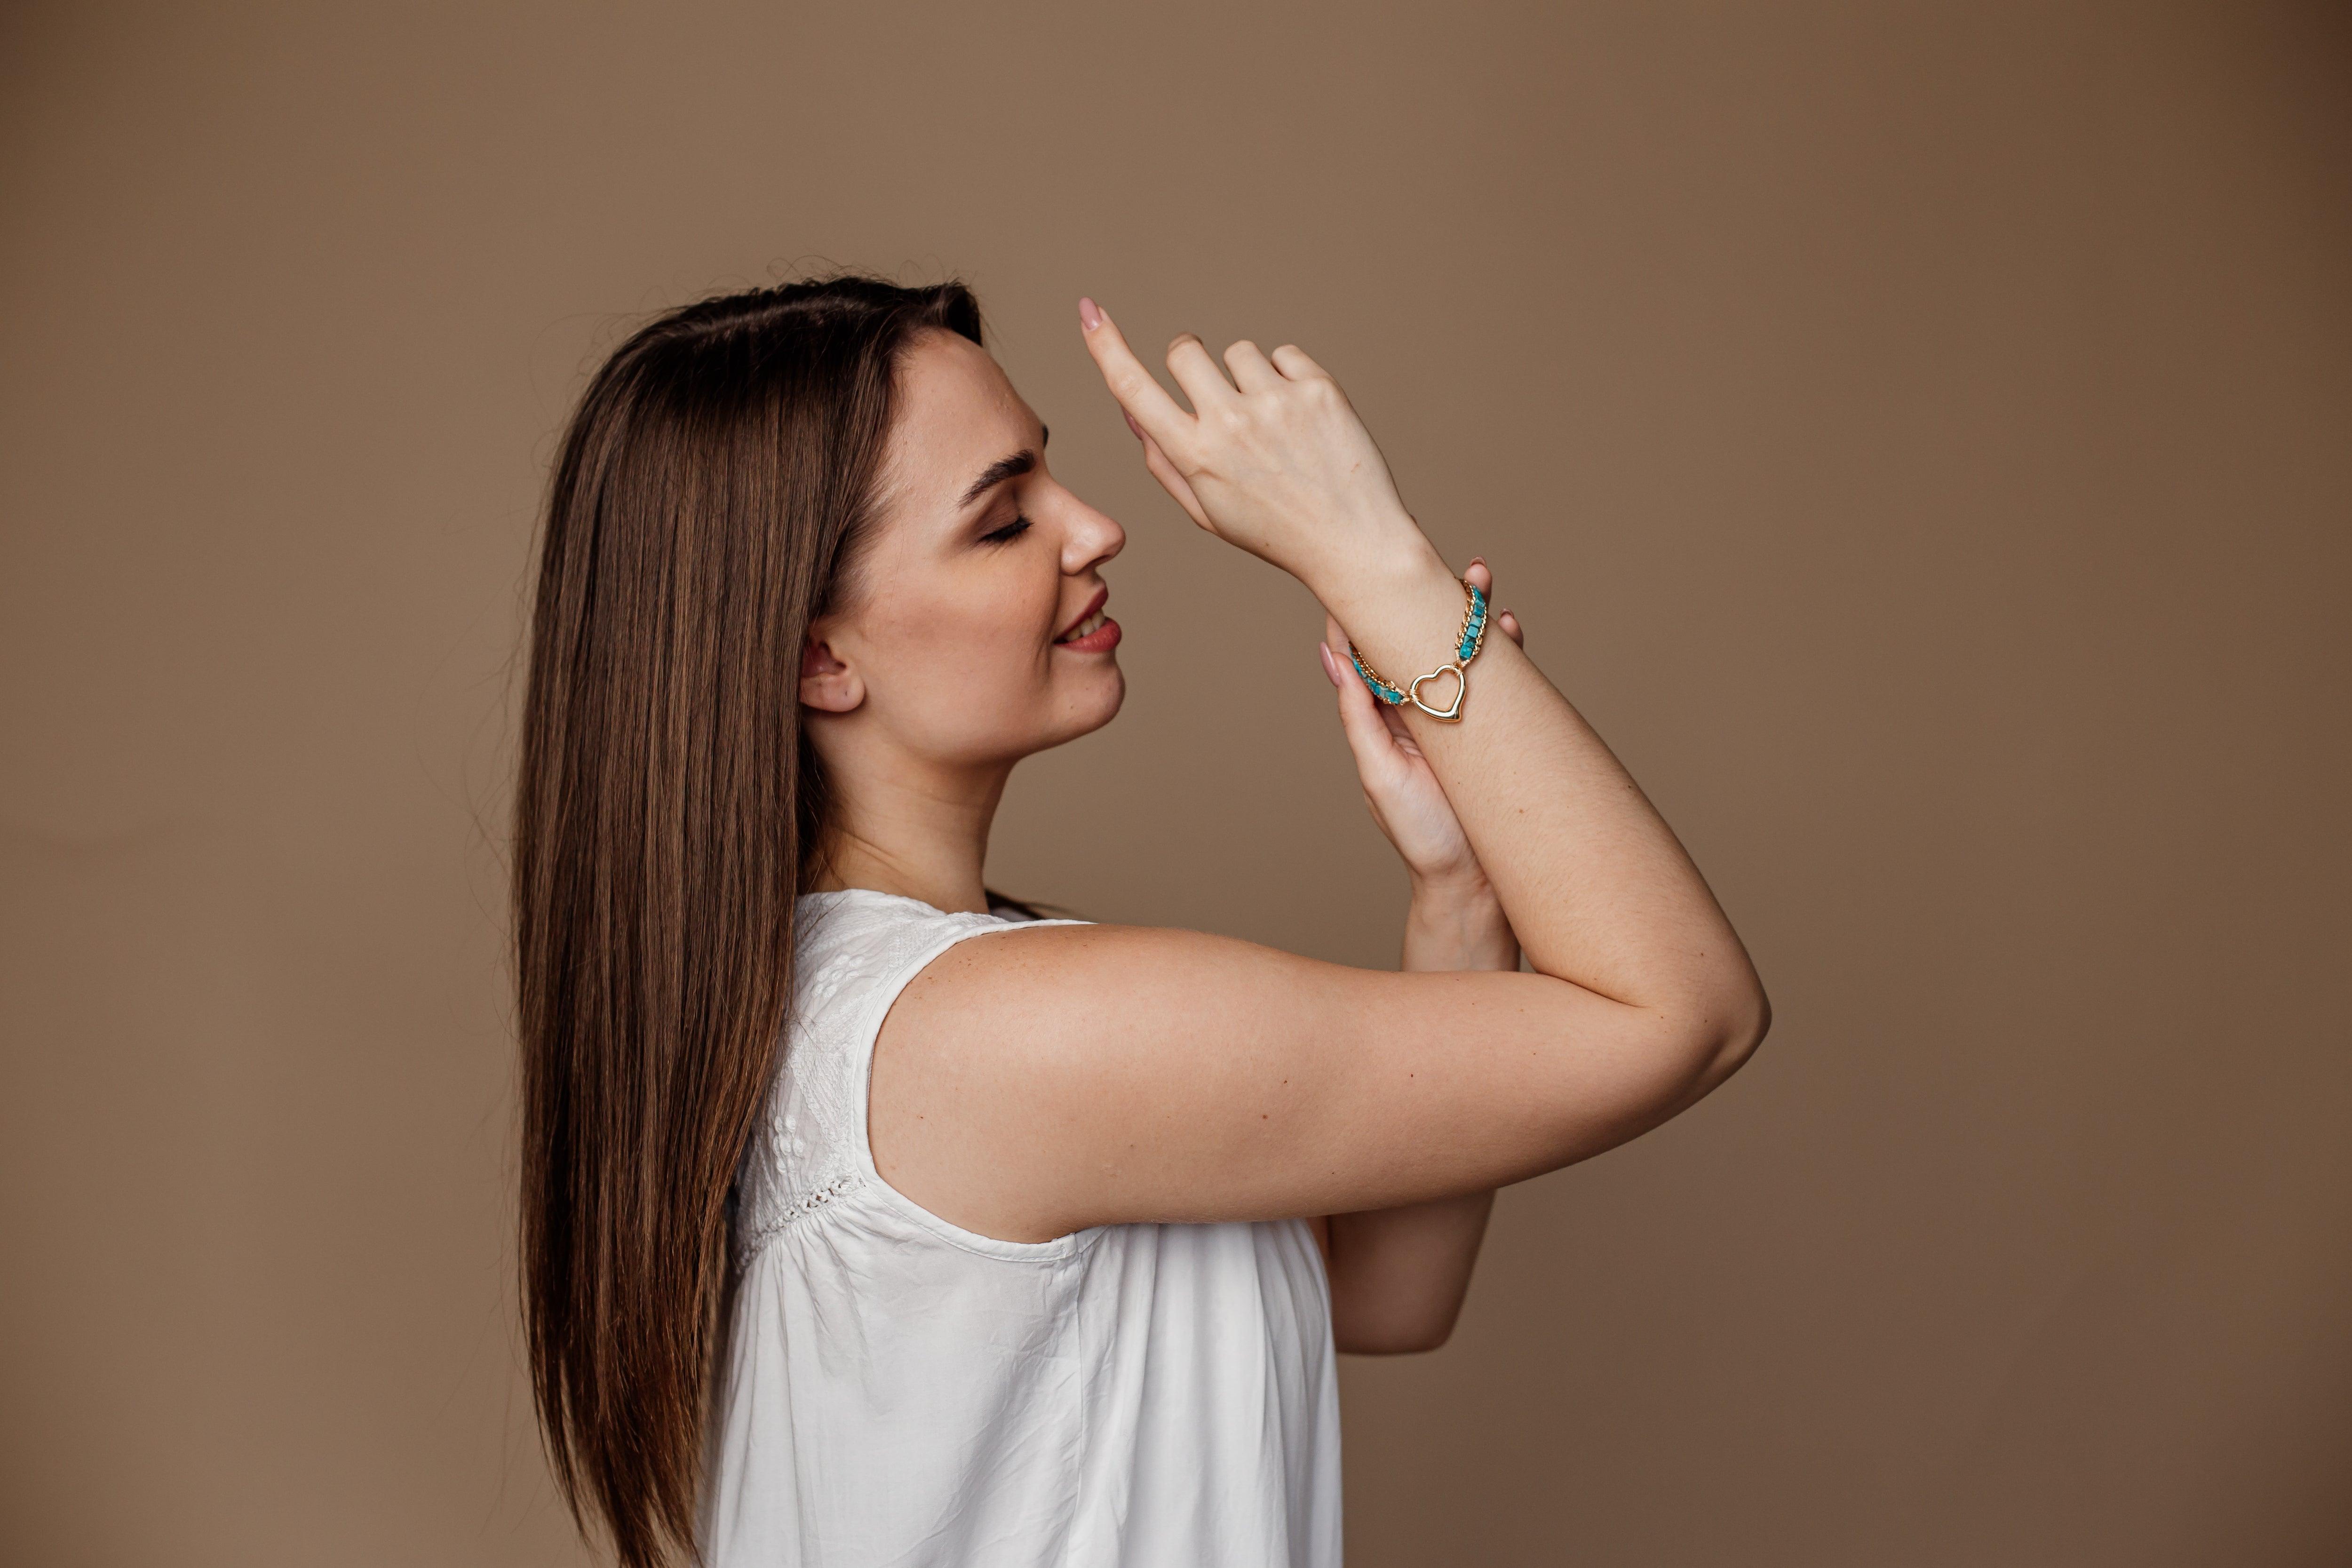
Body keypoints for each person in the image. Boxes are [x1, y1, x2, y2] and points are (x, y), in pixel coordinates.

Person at [514, 275, 1769, 1568]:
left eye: (1050, 479)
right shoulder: (994, 1032)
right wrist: (1367, 552)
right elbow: (1687, 1013)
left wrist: (1460, 894)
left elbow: (1383, 1295)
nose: (1095, 527)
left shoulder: (868, 1012)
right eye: (1003, 522)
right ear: (819, 657)